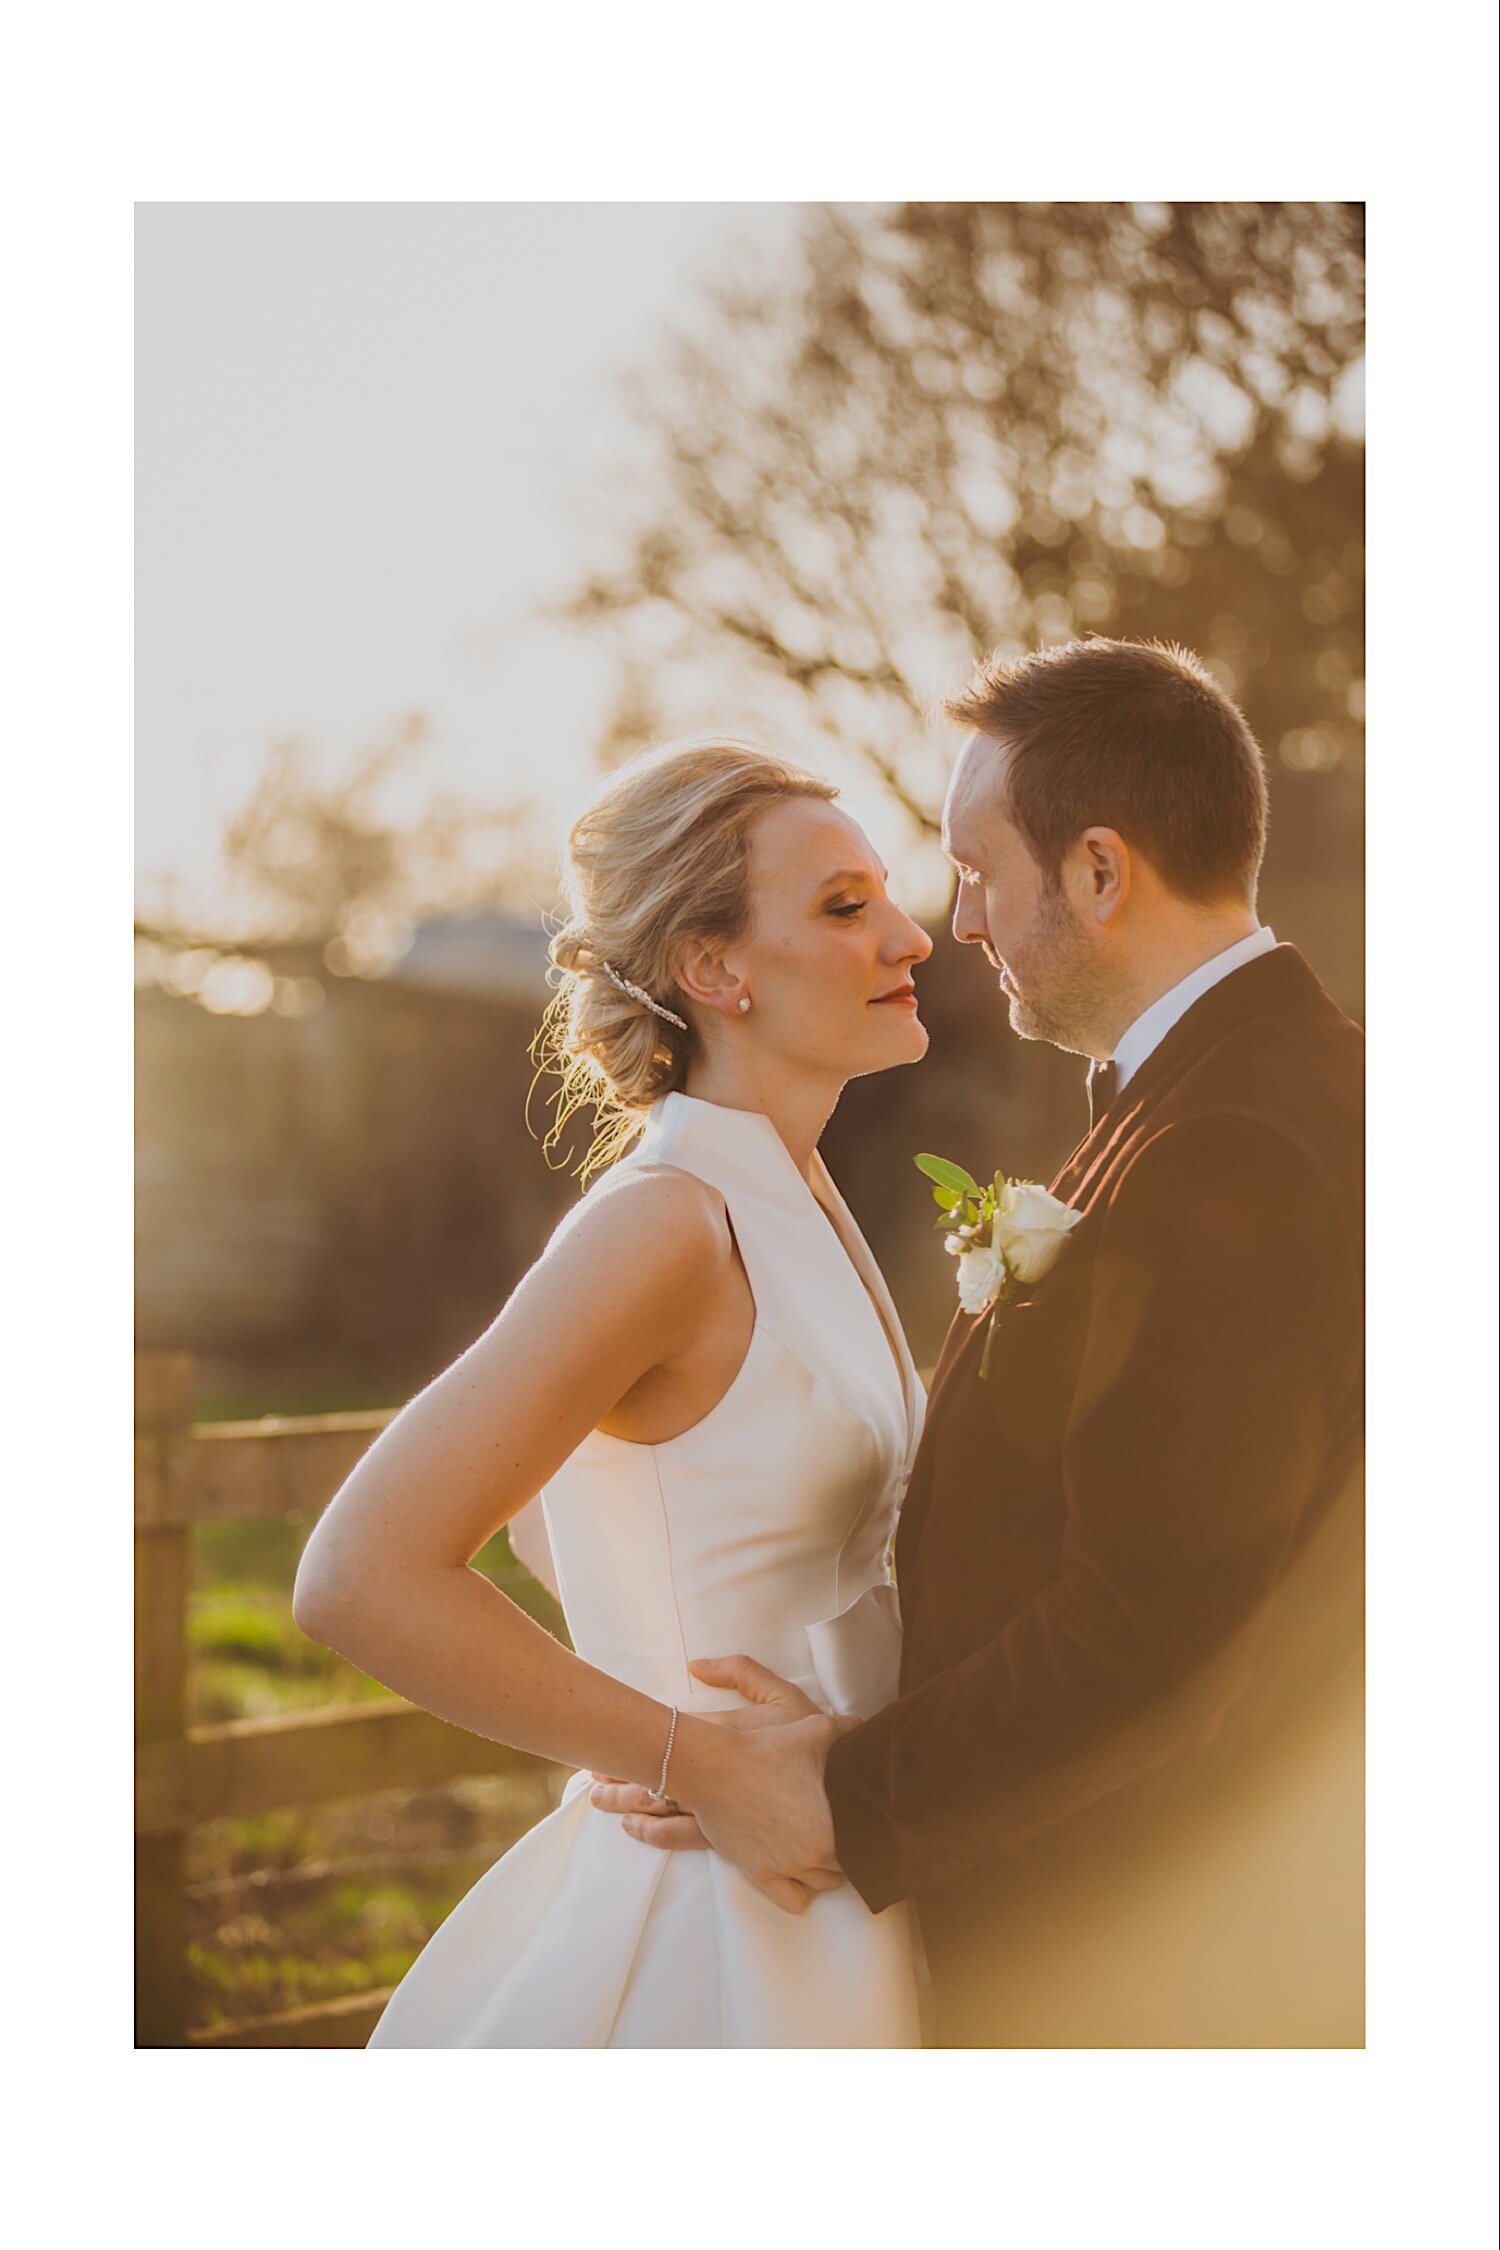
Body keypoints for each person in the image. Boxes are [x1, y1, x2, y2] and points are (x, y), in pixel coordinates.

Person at [599, 639, 1366, 2047]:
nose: (954, 922)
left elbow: (1151, 1623)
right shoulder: (1250, 1093)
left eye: (976, 868)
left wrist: (838, 1796)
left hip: (1166, 1965)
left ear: (1096, 872)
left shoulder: (1231, 1148)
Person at [292, 737, 935, 2046]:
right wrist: (687, 1755)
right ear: (715, 969)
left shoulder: (798, 1190)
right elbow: (359, 1570)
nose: (911, 934)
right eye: (844, 906)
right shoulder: (664, 1223)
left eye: (888, 892)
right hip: (712, 1916)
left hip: (837, 1881)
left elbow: (595, 1515)